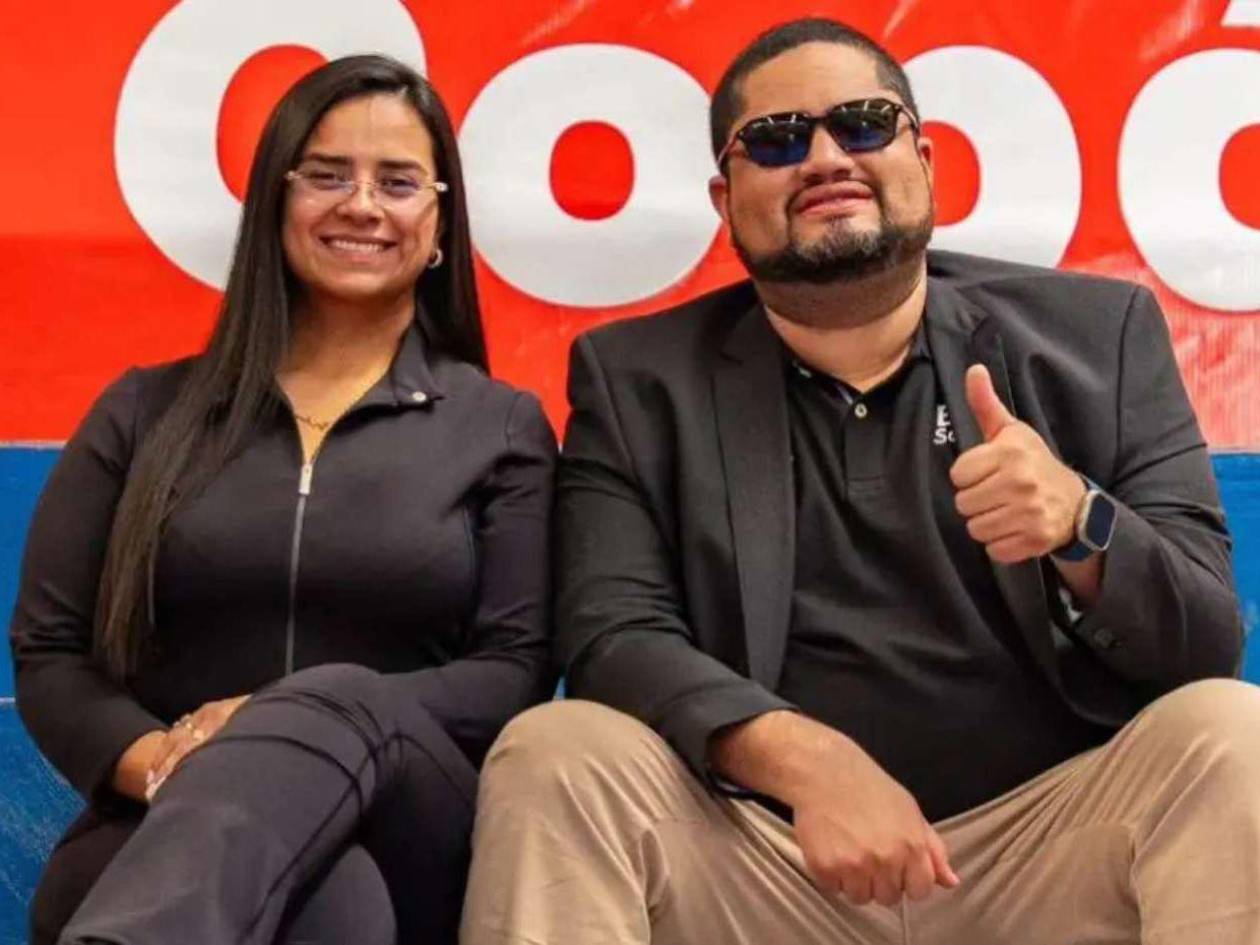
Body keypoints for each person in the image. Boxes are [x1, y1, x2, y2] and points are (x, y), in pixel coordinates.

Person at [460, 18, 1255, 945]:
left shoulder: (1096, 337)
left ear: (925, 161)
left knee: (1229, 733)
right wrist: (807, 761)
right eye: (777, 140)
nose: (827, 158)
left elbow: (1206, 644)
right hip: (767, 860)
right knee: (557, 752)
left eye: (865, 124)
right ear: (726, 199)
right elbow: (613, 635)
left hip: (1052, 849)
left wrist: (1082, 524)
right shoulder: (639, 380)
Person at [10, 54, 555, 945]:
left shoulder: (500, 429)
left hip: (414, 823)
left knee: (339, 709)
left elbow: (512, 670)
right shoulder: (144, 412)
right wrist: (167, 764)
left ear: (439, 223)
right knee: (331, 901)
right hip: (164, 810)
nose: (362, 205)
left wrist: (284, 722)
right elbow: (51, 649)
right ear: (275, 199)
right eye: (328, 175)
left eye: (398, 182)